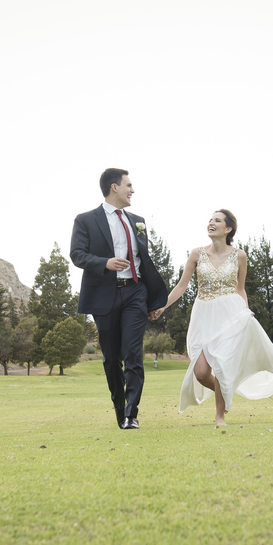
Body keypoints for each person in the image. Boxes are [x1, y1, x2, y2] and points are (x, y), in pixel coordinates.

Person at [154, 209, 273, 426]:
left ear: (228, 228)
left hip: (230, 314)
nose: (211, 223)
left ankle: (219, 416)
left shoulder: (239, 256)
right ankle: (226, 391)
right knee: (201, 372)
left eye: (217, 221)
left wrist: (245, 314)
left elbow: (240, 288)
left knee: (222, 364)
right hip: (203, 314)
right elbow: (181, 286)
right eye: (210, 220)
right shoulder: (196, 254)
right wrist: (162, 306)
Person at [70, 169, 167, 429]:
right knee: (112, 358)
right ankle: (119, 409)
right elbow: (77, 255)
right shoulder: (86, 220)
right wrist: (106, 262)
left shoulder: (139, 220)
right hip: (104, 295)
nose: (132, 190)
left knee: (133, 354)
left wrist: (154, 301)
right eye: (129, 185)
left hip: (136, 292)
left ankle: (132, 414)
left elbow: (144, 261)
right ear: (114, 187)